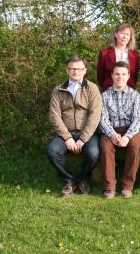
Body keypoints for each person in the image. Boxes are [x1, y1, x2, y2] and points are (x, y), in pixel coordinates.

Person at [46, 55, 102, 197]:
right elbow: (54, 116)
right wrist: (67, 138)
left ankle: (83, 178)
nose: (75, 72)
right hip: (66, 134)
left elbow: (95, 115)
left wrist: (82, 139)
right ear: (67, 70)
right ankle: (70, 179)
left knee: (93, 153)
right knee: (52, 151)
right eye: (72, 69)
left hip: (87, 134)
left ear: (84, 70)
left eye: (78, 69)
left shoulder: (92, 88)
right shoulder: (58, 90)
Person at [99, 61, 140, 199]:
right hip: (111, 129)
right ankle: (110, 186)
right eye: (117, 74)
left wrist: (127, 137)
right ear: (112, 75)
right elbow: (102, 120)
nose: (120, 77)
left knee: (135, 146)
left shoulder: (135, 95)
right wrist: (112, 134)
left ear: (129, 76)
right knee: (105, 146)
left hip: (131, 130)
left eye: (123, 74)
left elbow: (138, 120)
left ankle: (127, 186)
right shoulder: (104, 96)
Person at [97, 23, 140, 92]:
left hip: (129, 91)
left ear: (130, 37)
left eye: (127, 34)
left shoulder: (135, 54)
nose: (125, 37)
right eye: (122, 33)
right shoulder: (104, 53)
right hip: (109, 91)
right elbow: (100, 76)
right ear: (116, 34)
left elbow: (135, 75)